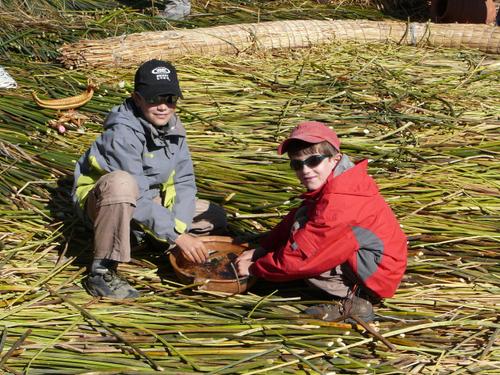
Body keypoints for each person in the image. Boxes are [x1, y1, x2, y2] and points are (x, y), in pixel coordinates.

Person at [72, 59, 227, 299]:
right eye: (154, 99)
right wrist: (177, 236)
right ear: (137, 98)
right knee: (122, 184)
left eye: (170, 99)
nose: (163, 106)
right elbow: (138, 195)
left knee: (214, 216)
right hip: (106, 204)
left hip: (149, 200)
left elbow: (184, 182)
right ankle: (102, 271)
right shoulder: (121, 133)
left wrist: (179, 228)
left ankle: (146, 237)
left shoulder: (174, 129)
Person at [235, 121, 407, 322]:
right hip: (370, 262)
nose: (305, 170)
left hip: (376, 276)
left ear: (335, 159)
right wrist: (262, 249)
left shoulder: (340, 201)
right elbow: (293, 221)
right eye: (297, 164)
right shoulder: (339, 181)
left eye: (314, 160)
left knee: (307, 251)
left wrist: (256, 268)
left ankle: (354, 300)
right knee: (300, 223)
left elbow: (304, 257)